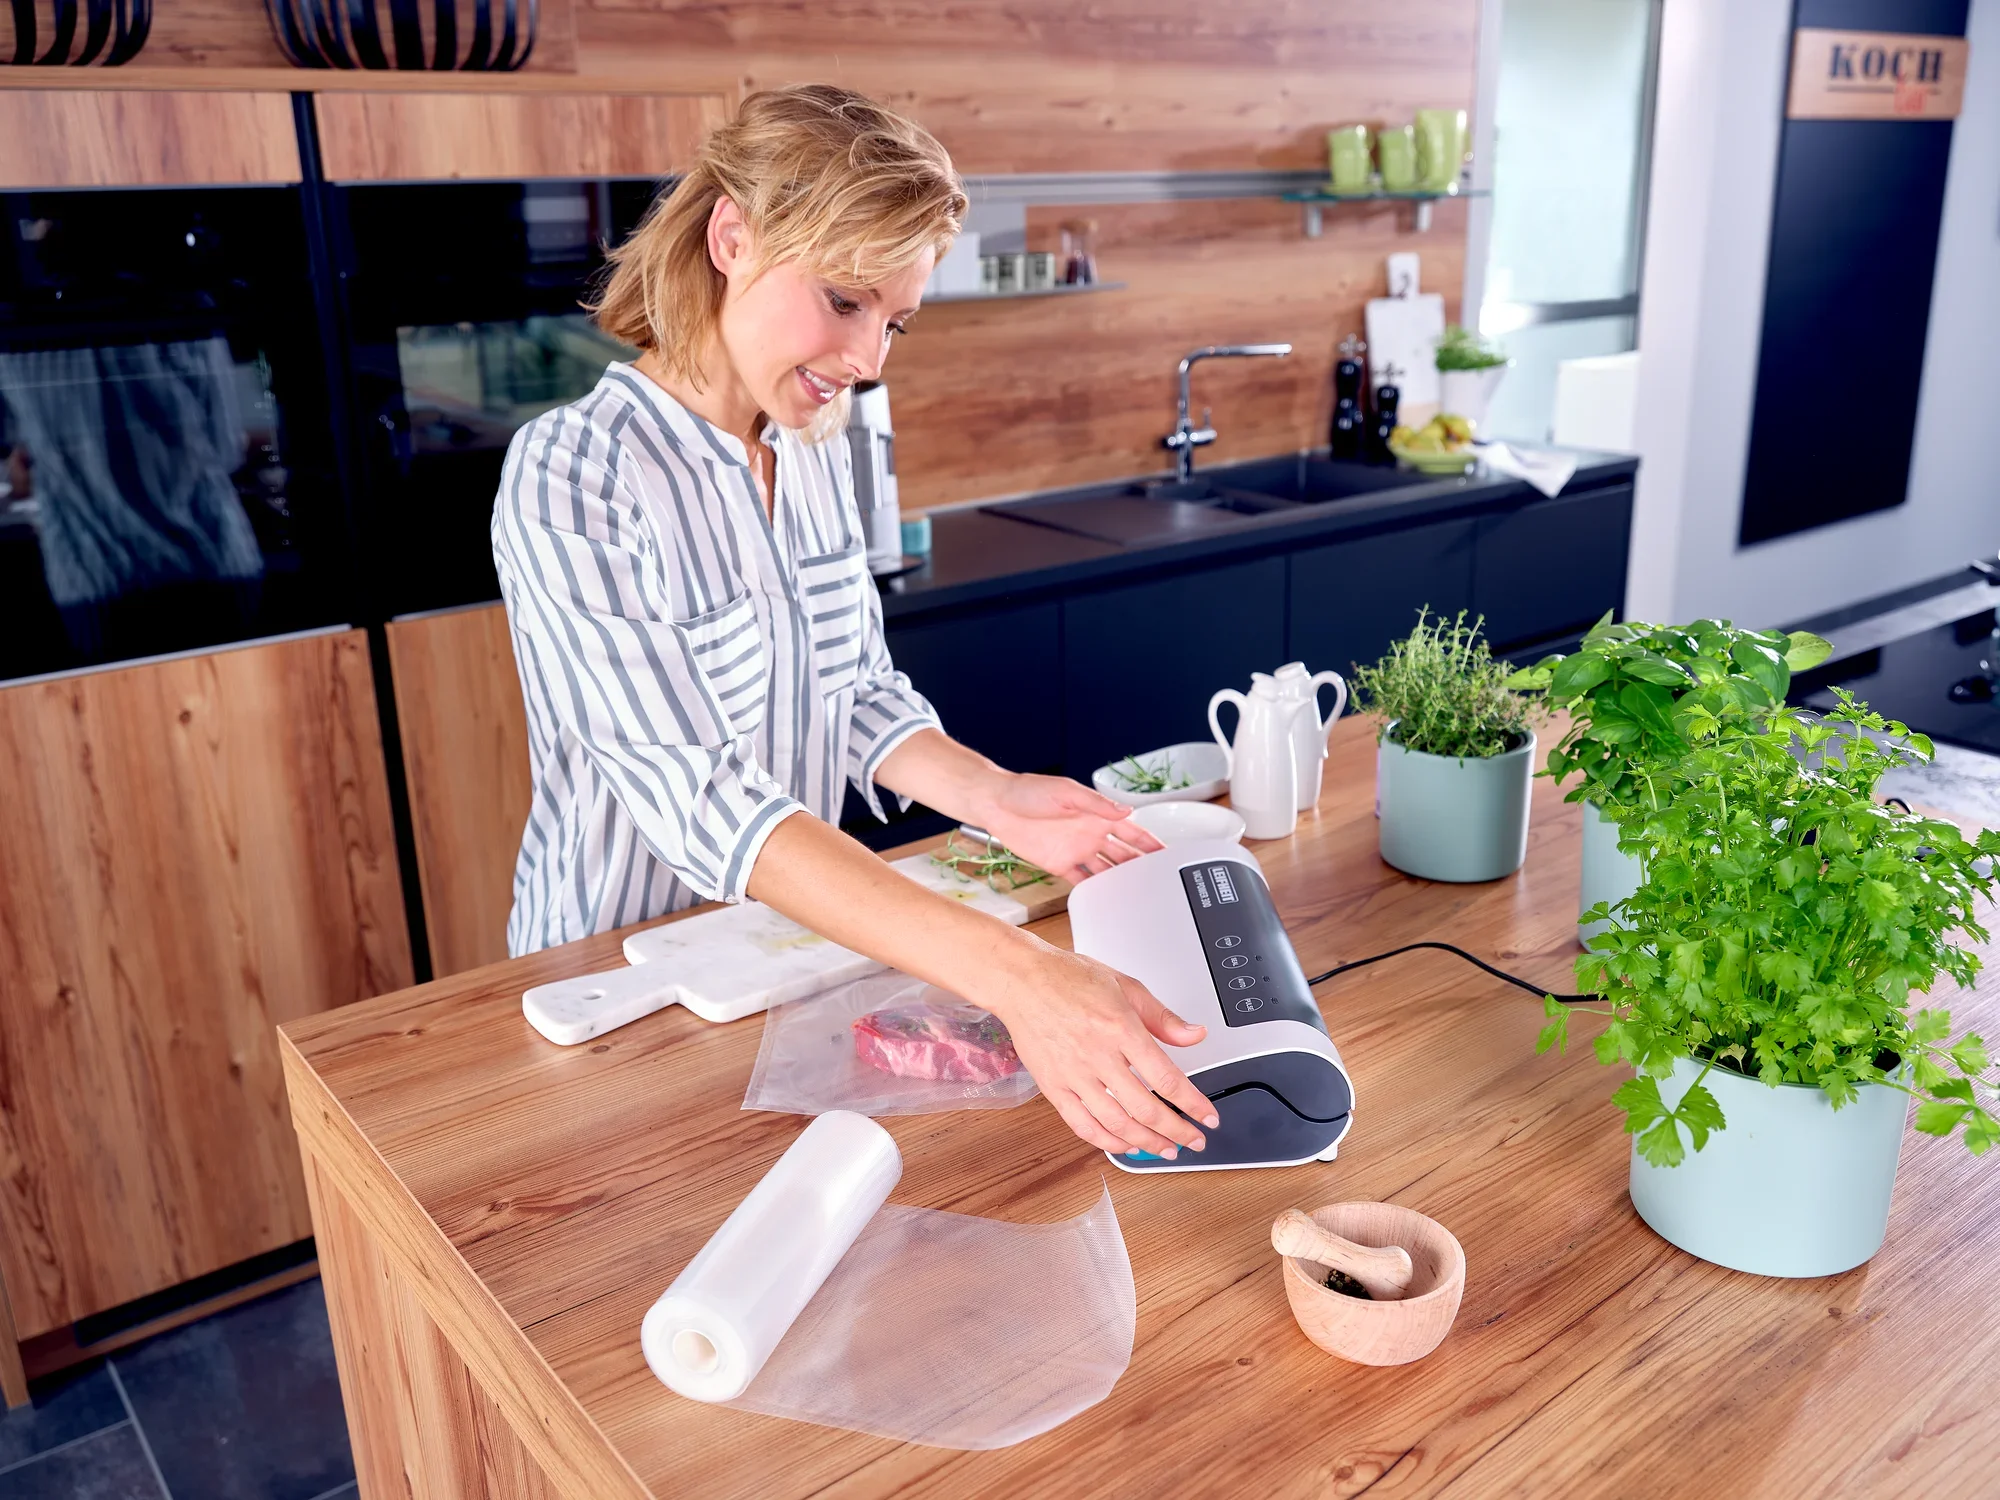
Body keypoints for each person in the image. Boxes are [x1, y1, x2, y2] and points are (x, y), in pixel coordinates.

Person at [493, 84, 1216, 1161]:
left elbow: (853, 691)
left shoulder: (811, 442)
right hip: (615, 995)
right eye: (843, 301)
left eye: (894, 320)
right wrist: (1017, 975)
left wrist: (999, 799)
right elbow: (701, 801)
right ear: (731, 237)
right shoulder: (574, 476)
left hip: (779, 951)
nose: (870, 357)